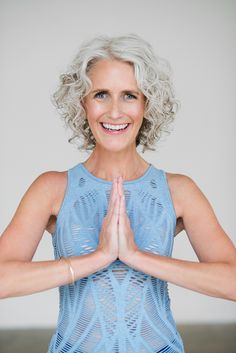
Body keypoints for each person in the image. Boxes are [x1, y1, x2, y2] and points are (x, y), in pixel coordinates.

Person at [0, 33, 235, 353]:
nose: (114, 111)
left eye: (129, 95)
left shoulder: (179, 190)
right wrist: (97, 258)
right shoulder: (52, 188)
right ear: (82, 102)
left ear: (146, 104)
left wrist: (137, 257)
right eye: (101, 94)